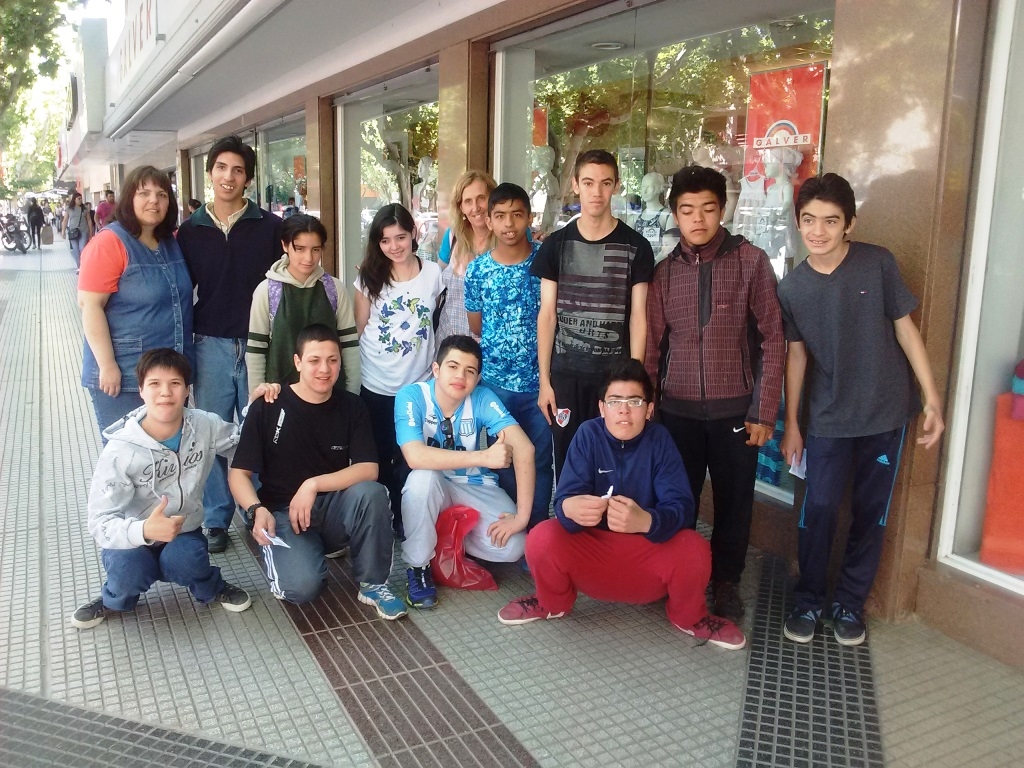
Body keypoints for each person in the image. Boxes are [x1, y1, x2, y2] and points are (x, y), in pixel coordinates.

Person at [777, 173, 945, 647]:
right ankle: (808, 600)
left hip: (885, 414)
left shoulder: (877, 263)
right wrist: (792, 425)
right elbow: (796, 357)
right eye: (809, 219)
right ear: (798, 222)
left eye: (831, 221)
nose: (818, 231)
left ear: (850, 223)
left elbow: (906, 330)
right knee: (819, 508)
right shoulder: (792, 289)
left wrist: (932, 398)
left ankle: (849, 604)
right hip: (827, 418)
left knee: (871, 513)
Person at [497, 360, 746, 650]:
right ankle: (551, 602)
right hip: (593, 557)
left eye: (635, 401)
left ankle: (689, 617)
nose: (624, 410)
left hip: (647, 560)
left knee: (695, 549)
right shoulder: (588, 434)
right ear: (602, 408)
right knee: (541, 536)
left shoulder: (660, 440)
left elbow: (681, 507)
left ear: (649, 409)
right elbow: (564, 498)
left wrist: (647, 521)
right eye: (615, 401)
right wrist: (570, 509)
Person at [643, 165, 784, 623]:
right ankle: (679, 576)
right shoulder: (664, 273)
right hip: (676, 412)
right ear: (675, 215)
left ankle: (725, 582)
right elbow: (652, 347)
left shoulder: (751, 262)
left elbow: (773, 339)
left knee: (734, 502)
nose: (698, 219)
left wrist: (763, 411)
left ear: (723, 209)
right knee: (677, 500)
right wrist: (649, 410)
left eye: (707, 209)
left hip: (735, 412)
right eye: (687, 210)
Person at [228, 325, 406, 617]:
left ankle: (374, 584)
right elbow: (238, 474)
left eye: (332, 360)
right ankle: (294, 555)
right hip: (283, 513)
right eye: (314, 360)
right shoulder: (269, 405)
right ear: (297, 362)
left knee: (371, 493)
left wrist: (312, 484)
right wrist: (256, 509)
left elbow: (369, 469)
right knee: (302, 588)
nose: (324, 369)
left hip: (332, 508)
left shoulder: (352, 406)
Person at [70, 349, 253, 629]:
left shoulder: (204, 425)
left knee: (187, 559)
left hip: (183, 530)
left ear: (187, 390)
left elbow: (243, 445)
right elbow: (99, 522)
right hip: (133, 537)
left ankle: (210, 586)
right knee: (128, 569)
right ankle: (114, 598)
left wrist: (258, 408)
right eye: (155, 384)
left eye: (175, 383)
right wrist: (143, 530)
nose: (165, 392)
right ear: (141, 390)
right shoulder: (120, 450)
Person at [177, 135, 283, 554]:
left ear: (248, 179)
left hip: (258, 345)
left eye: (238, 170)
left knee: (259, 428)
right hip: (210, 346)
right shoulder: (190, 231)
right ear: (210, 173)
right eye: (221, 167)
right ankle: (217, 517)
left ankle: (256, 509)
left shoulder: (270, 227)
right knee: (211, 432)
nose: (229, 176)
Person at [531, 149, 655, 476]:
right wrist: (545, 381)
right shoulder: (555, 245)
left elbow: (638, 317)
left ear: (616, 185)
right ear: (575, 185)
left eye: (605, 183)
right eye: (588, 182)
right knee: (569, 466)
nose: (596, 192)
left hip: (613, 378)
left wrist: (634, 382)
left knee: (614, 466)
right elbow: (547, 315)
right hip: (566, 377)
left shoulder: (637, 247)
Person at [396, 335, 535, 608]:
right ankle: (419, 565)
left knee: (514, 546)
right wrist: (483, 456)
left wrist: (522, 517)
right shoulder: (412, 396)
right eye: (453, 366)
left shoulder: (482, 397)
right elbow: (414, 456)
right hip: (436, 484)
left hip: (475, 484)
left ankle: (448, 541)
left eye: (470, 371)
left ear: (478, 378)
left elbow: (525, 449)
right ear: (436, 369)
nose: (460, 376)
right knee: (422, 479)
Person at [78, 166, 194, 438]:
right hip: (125, 376)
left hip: (169, 375)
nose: (154, 200)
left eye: (162, 194)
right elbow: (90, 306)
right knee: (129, 455)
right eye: (144, 193)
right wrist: (107, 365)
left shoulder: (169, 242)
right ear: (129, 198)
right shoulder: (109, 242)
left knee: (167, 453)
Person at [465, 182, 553, 532]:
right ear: (488, 220)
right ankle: (506, 533)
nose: (509, 224)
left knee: (541, 461)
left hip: (539, 385)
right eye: (500, 216)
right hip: (495, 386)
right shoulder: (478, 270)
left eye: (517, 215)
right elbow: (475, 324)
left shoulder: (546, 261)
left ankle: (537, 535)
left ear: (529, 217)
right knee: (502, 460)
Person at [354, 203, 443, 534]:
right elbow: (359, 328)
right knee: (378, 457)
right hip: (375, 383)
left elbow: (438, 322)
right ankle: (383, 518)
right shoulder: (368, 278)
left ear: (413, 234)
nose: (394, 246)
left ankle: (409, 518)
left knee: (411, 455)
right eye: (385, 240)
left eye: (401, 237)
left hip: (417, 385)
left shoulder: (433, 274)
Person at [246, 213, 359, 398]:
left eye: (316, 249)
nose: (308, 257)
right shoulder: (267, 291)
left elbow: (349, 345)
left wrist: (352, 394)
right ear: (285, 245)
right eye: (300, 249)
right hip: (280, 395)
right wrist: (257, 395)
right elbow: (256, 350)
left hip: (330, 396)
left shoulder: (334, 289)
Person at [436, 170, 496, 341]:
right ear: (460, 207)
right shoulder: (452, 236)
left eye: (481, 198)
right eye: (468, 201)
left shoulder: (508, 237)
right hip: (451, 340)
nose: (475, 208)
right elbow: (436, 284)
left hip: (491, 345)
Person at [62, 192, 93, 269]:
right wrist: (63, 231)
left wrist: (91, 231)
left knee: (82, 248)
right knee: (75, 250)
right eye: (79, 199)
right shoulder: (69, 209)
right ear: (74, 199)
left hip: (83, 230)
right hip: (73, 231)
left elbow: (89, 220)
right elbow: (65, 220)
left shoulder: (84, 209)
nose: (80, 200)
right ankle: (79, 267)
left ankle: (83, 266)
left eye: (81, 198)